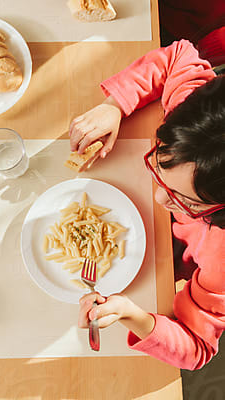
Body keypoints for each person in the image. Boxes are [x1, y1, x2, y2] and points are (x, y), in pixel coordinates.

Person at [69, 39, 225, 370]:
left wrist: (133, 315)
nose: (159, 197)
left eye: (185, 200)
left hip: (161, 268)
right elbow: (178, 56)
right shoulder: (195, 114)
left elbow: (196, 347)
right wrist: (115, 104)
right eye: (161, 159)